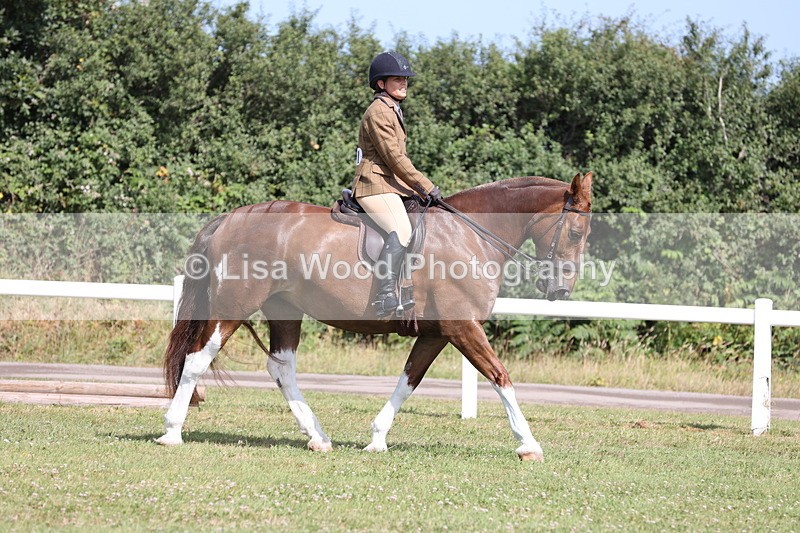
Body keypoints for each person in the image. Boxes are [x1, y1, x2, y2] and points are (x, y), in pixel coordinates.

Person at [351, 51, 442, 317]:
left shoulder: (392, 109)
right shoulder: (379, 112)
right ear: (381, 84)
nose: (403, 83)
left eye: (405, 79)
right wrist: (426, 185)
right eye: (397, 79)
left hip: (389, 184)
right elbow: (394, 158)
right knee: (401, 229)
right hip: (373, 184)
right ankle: (385, 295)